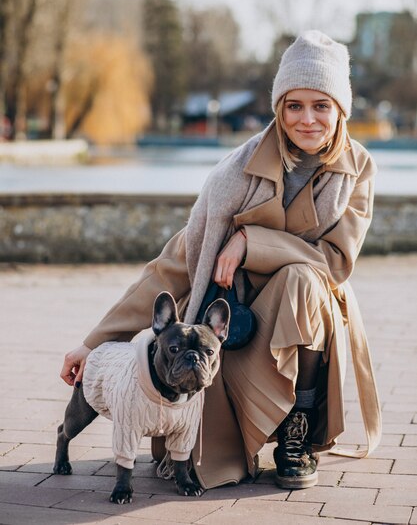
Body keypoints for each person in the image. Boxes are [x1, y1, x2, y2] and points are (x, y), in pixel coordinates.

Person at [60, 30, 381, 490]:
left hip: (306, 318)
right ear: (279, 109)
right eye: (294, 106)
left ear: (341, 109)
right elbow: (174, 265)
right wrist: (92, 344)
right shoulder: (236, 172)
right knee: (203, 461)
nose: (307, 120)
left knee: (303, 280)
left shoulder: (359, 170)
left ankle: (299, 430)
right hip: (234, 318)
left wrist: (250, 241)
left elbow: (333, 261)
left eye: (321, 105)